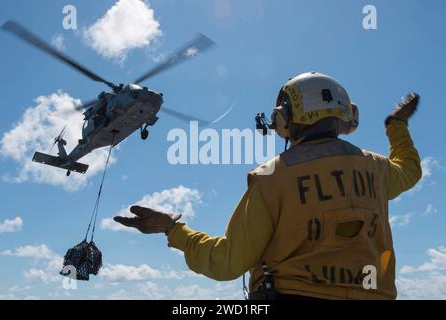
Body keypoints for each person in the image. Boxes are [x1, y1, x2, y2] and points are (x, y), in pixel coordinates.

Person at [114, 72, 422, 300]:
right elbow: (409, 170)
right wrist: (397, 127)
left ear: (288, 117)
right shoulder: (376, 169)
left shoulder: (272, 177)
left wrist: (173, 229)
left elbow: (228, 262)